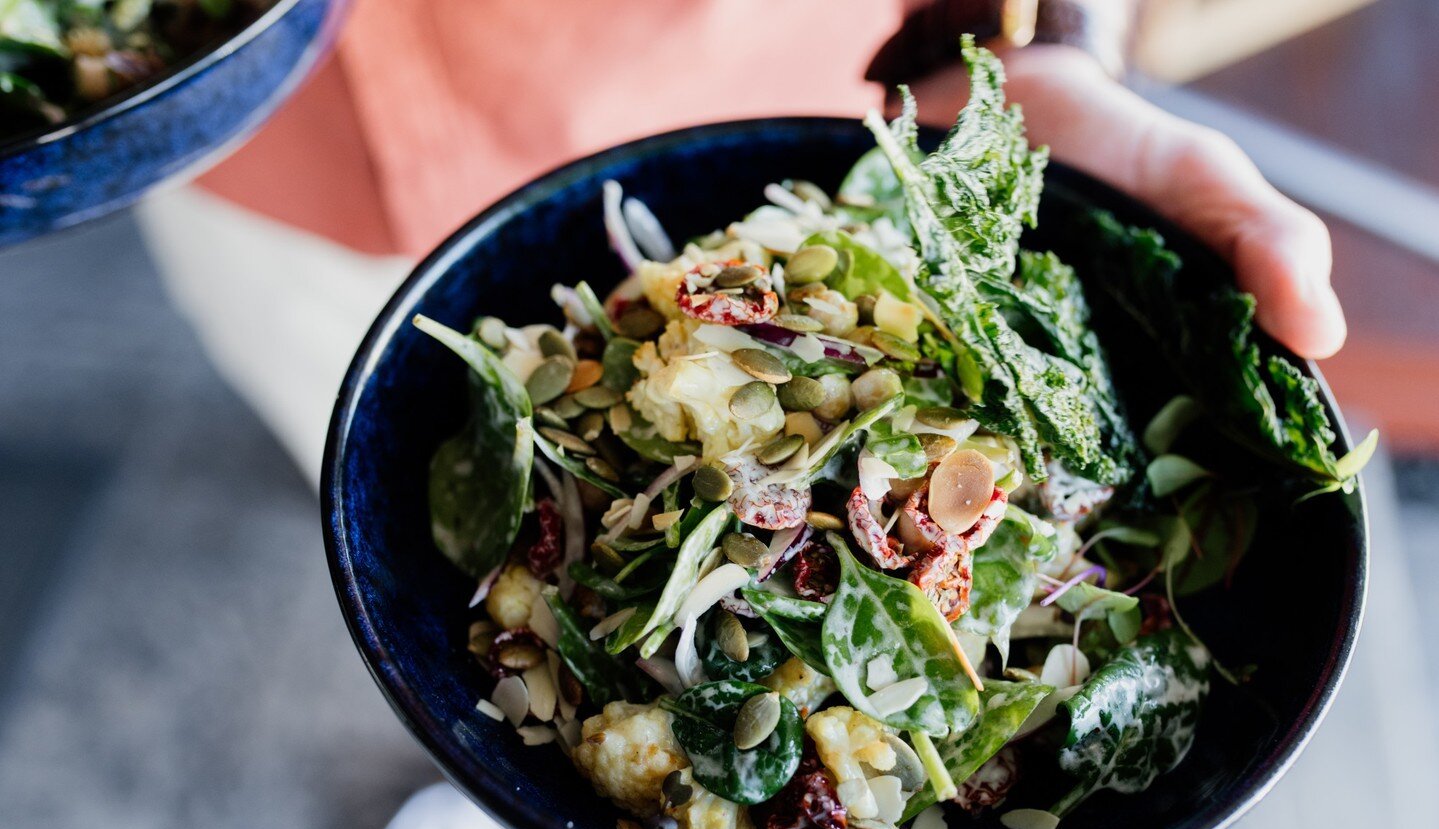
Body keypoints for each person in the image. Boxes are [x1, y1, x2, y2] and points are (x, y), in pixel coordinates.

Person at [137, 0, 1347, 490]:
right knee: (410, 538)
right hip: (251, 143)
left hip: (764, 133)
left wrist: (1035, 47)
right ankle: (478, 804)